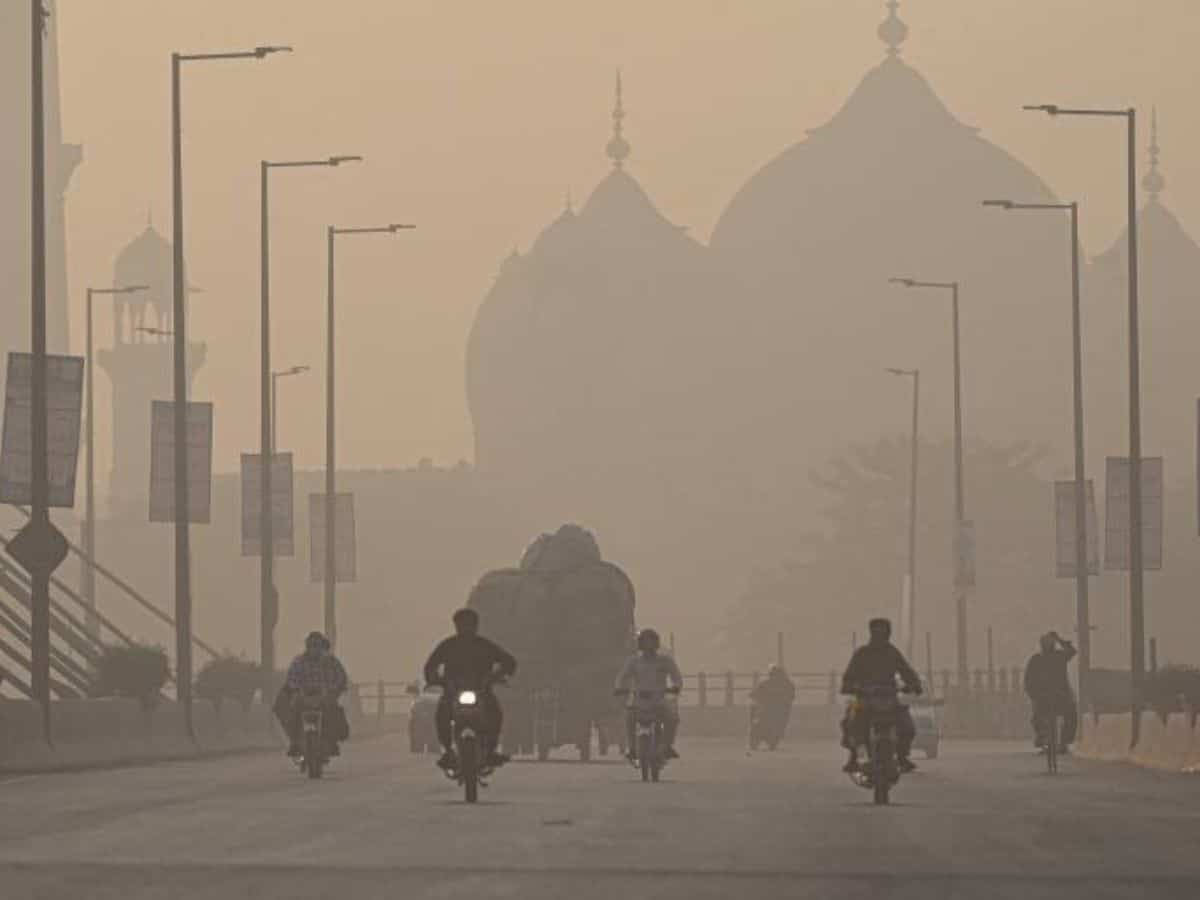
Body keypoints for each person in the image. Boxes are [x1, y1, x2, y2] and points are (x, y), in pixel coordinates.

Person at [423, 607, 517, 771]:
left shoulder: (485, 646)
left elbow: (509, 662)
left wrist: (496, 676)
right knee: (442, 715)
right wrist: (436, 680)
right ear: (456, 626)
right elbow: (431, 666)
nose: (466, 628)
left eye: (469, 624)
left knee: (496, 714)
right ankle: (448, 751)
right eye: (462, 624)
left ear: (476, 625)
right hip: (453, 692)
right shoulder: (448, 646)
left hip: (482, 691)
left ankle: (490, 751)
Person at [840, 618, 922, 774]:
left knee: (907, 727)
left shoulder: (892, 653)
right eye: (877, 632)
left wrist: (914, 685)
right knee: (851, 721)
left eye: (883, 632)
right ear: (871, 633)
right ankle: (853, 756)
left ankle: (902, 755)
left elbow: (906, 671)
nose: (880, 636)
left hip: (889, 698)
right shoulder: (861, 653)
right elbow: (849, 676)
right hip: (865, 698)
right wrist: (850, 687)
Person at [276, 631, 350, 758]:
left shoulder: (331, 661)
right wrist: (294, 688)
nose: (314, 649)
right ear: (307, 646)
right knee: (292, 714)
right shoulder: (299, 661)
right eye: (311, 645)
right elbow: (291, 677)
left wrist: (337, 688)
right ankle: (295, 742)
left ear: (322, 646)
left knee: (333, 713)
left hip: (325, 695)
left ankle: (332, 742)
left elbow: (341, 676)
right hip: (304, 696)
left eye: (317, 645)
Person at [613, 628, 683, 761]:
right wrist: (619, 688)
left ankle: (667, 746)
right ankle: (632, 749)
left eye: (650, 642)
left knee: (673, 718)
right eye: (645, 642)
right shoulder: (633, 661)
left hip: (659, 701)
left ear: (655, 643)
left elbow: (676, 676)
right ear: (640, 644)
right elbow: (622, 677)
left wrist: (676, 687)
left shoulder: (665, 661)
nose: (648, 645)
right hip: (638, 701)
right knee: (629, 718)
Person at [1023, 631, 1078, 752]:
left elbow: (1028, 680)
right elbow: (1072, 651)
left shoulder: (1039, 659)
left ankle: (1047, 738)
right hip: (1057, 697)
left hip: (1051, 697)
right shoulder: (1058, 657)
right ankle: (1062, 740)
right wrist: (1060, 640)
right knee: (1069, 715)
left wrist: (1033, 694)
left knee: (1039, 716)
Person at [750, 664, 796, 749]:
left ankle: (765, 739)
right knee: (769, 729)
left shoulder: (766, 684)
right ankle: (769, 739)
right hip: (778, 715)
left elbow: (754, 695)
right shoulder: (788, 684)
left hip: (770, 714)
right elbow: (791, 697)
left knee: (758, 723)